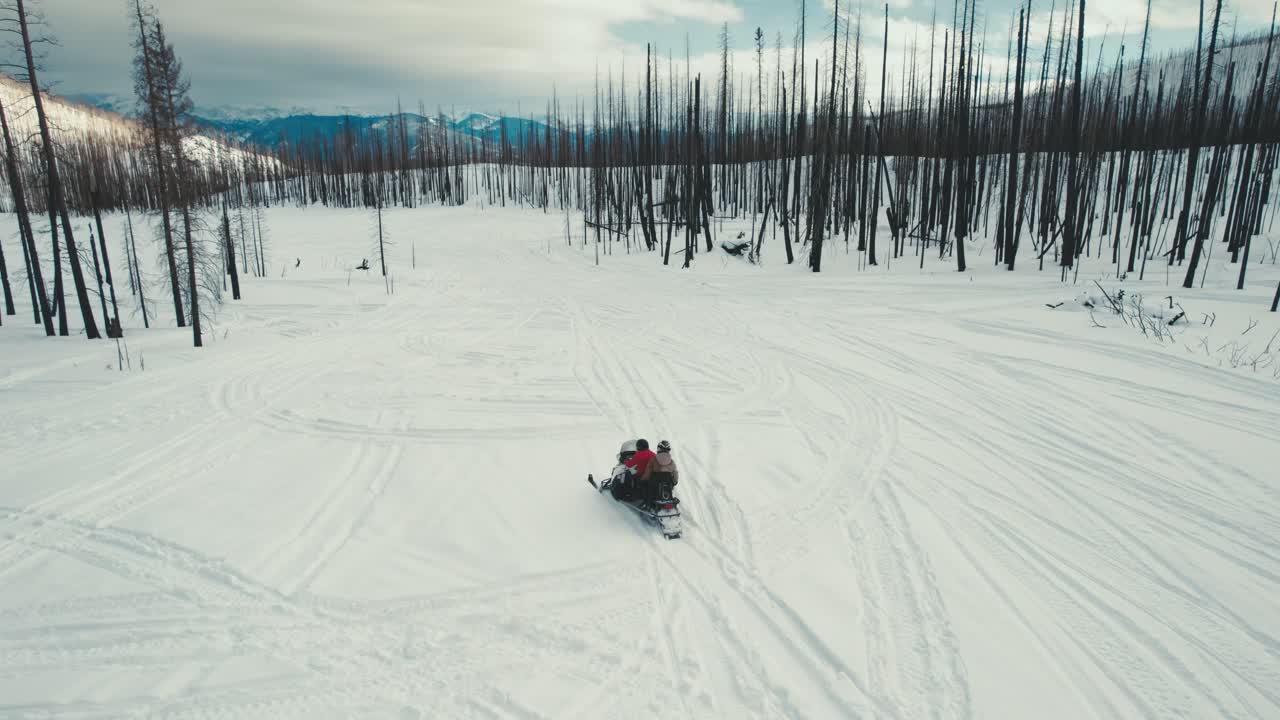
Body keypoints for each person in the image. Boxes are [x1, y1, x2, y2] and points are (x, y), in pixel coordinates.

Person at [642, 440, 679, 506]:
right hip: (668, 480)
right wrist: (675, 481)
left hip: (655, 480)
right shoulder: (671, 460)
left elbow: (648, 470)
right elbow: (675, 472)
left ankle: (648, 504)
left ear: (659, 448)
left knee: (647, 489)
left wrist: (644, 479)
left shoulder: (653, 459)